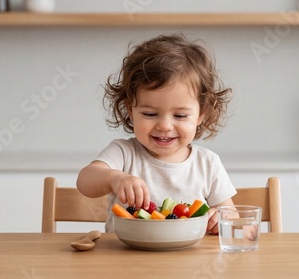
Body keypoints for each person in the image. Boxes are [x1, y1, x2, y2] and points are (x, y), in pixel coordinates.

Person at [76, 33, 236, 234]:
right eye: (150, 114)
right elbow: (85, 181)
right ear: (130, 110)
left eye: (179, 115)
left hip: (189, 262)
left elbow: (231, 215)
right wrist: (114, 178)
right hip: (124, 261)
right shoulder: (124, 153)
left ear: (201, 115)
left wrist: (221, 218)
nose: (164, 126)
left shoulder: (208, 164)